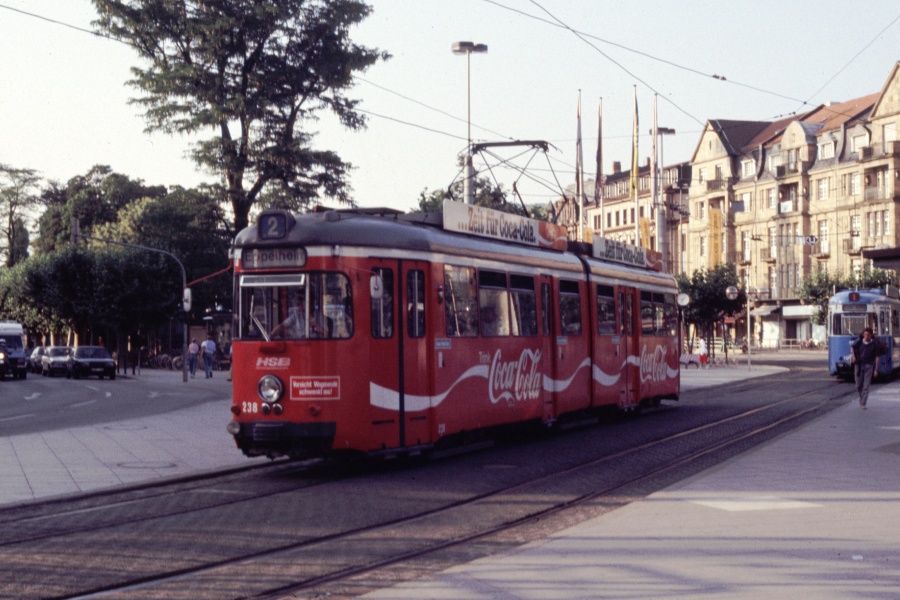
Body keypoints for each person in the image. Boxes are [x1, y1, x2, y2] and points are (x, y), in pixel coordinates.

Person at [851, 327, 884, 409]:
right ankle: (861, 398)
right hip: (859, 365)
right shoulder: (859, 341)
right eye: (865, 334)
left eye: (868, 335)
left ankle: (863, 403)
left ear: (871, 335)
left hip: (869, 366)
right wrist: (853, 357)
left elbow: (877, 357)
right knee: (858, 386)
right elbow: (852, 348)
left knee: (866, 386)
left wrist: (876, 369)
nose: (866, 336)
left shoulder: (874, 345)